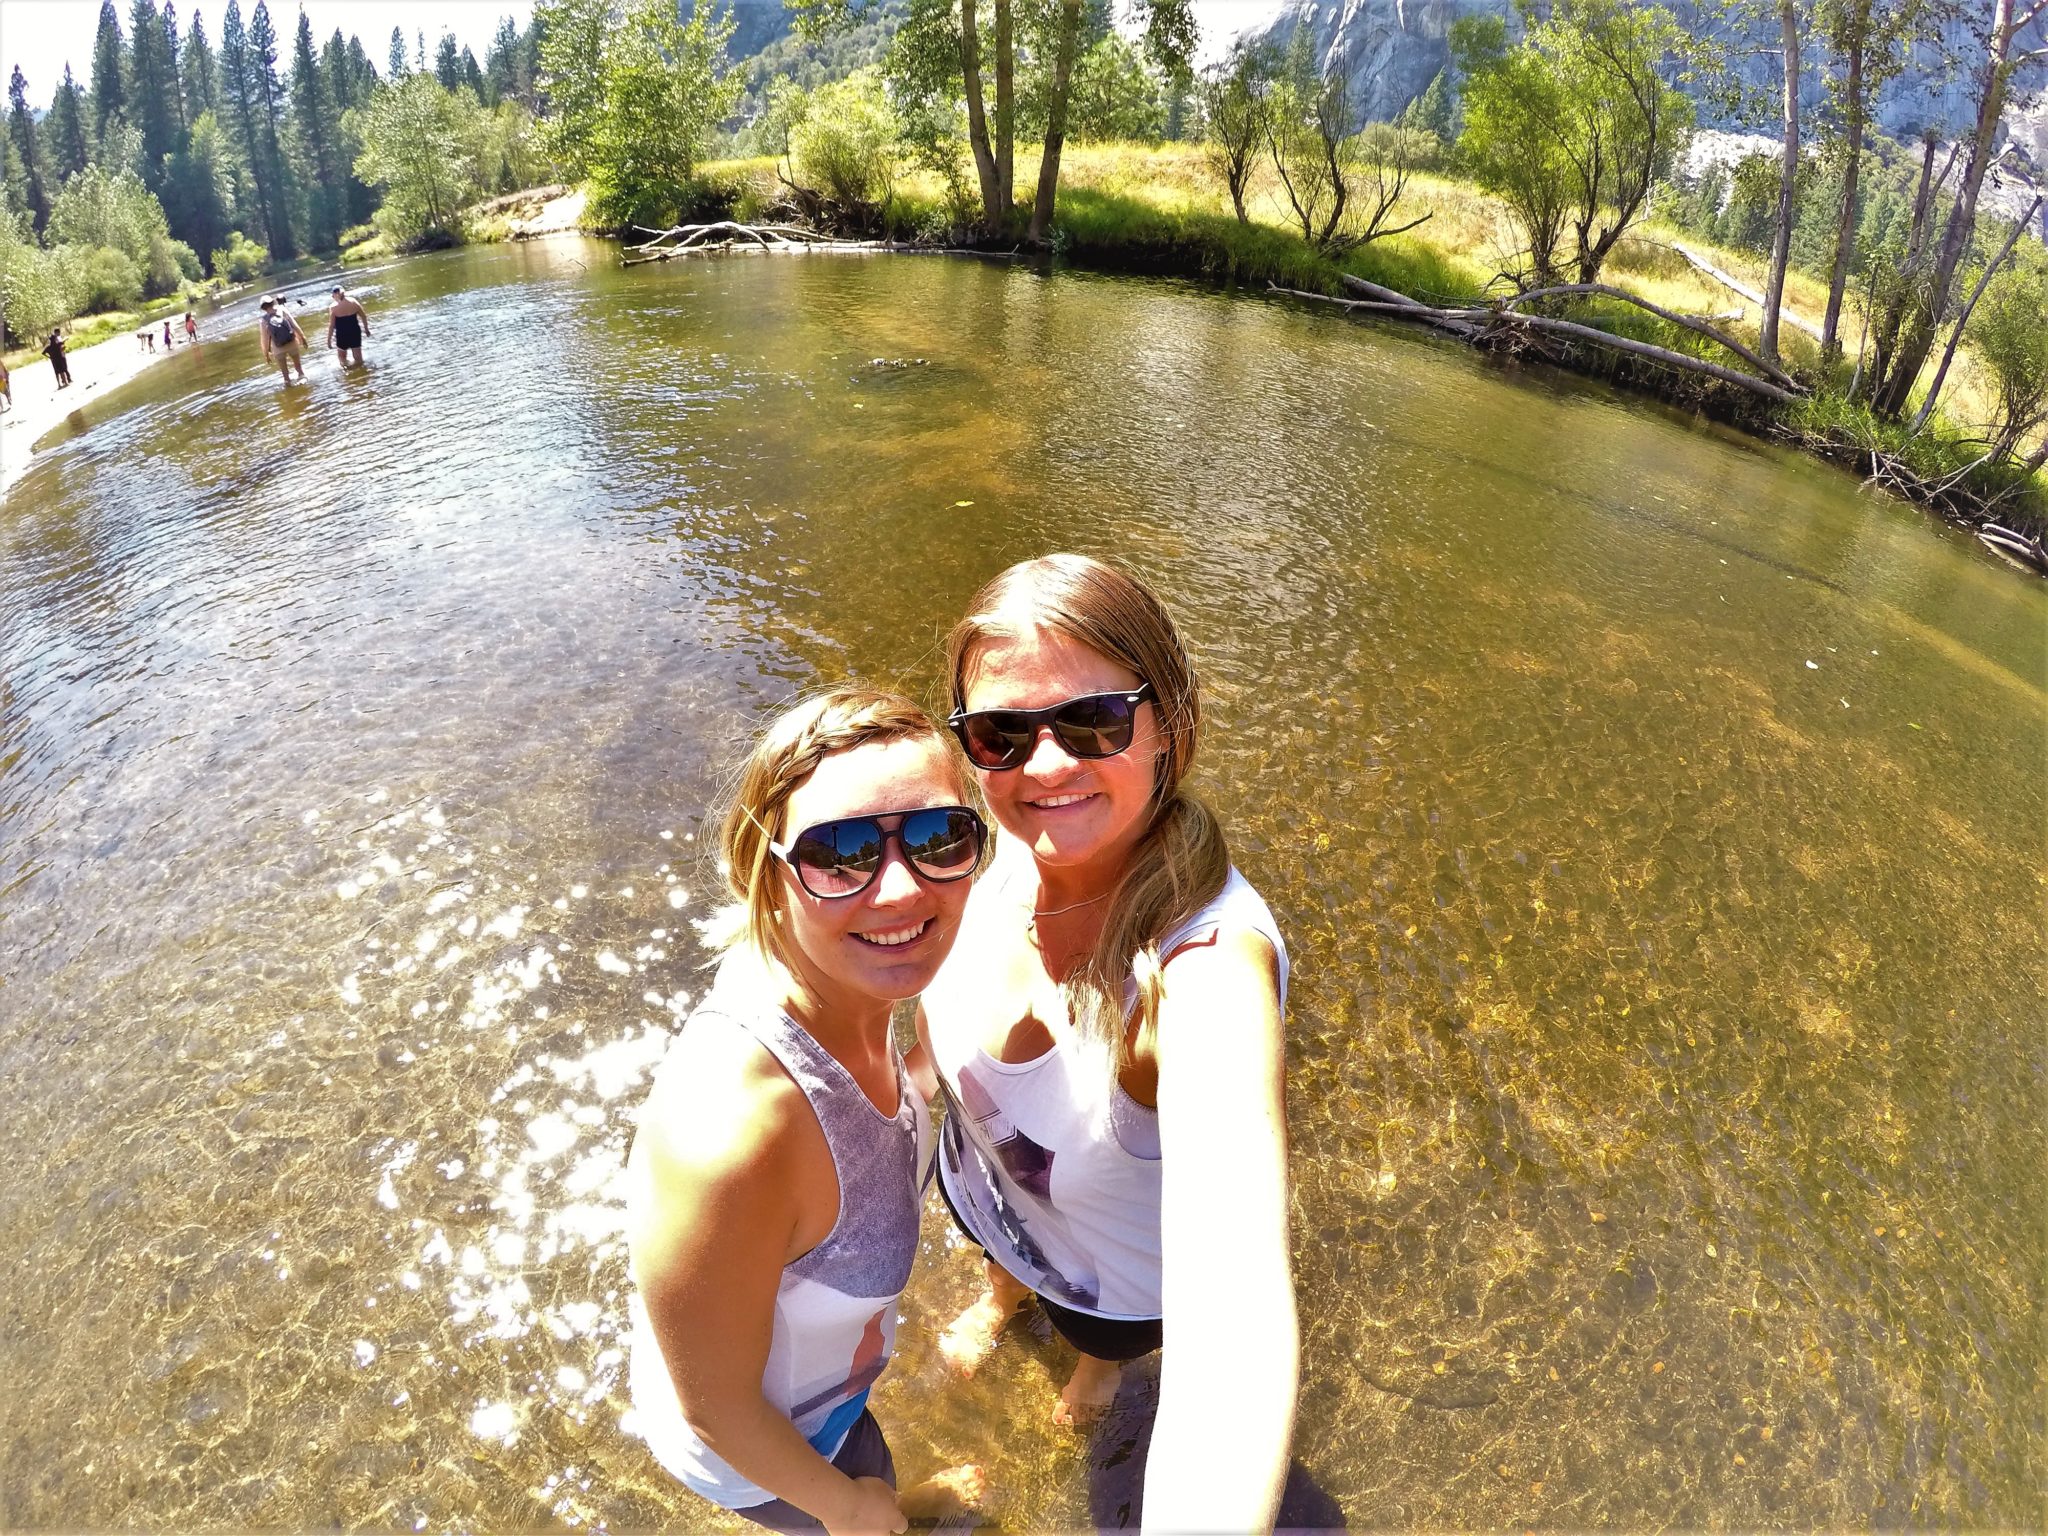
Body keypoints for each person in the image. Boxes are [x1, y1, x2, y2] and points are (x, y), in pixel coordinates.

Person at [917, 554, 1298, 1533]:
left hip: (1109, 1287)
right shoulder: (989, 846)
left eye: (1093, 722)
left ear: (1167, 718)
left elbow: (1236, 1333)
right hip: (995, 1196)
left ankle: (1092, 1376)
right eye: (1001, 733)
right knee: (1002, 1242)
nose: (1044, 766)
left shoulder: (1203, 971)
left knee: (1099, 1336)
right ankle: (1001, 1299)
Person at [626, 685, 987, 1535]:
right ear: (767, 874)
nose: (900, 891)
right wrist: (845, 1507)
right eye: (841, 854)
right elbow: (716, 1410)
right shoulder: (732, 1134)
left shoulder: (858, 979)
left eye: (940, 839)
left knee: (873, 1474)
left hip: (833, 1400)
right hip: (763, 1460)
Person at [258, 297, 306, 383]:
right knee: (299, 369)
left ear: (263, 308)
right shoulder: (282, 310)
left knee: (285, 375)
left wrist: (266, 354)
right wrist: (302, 337)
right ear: (273, 302)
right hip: (292, 343)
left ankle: (289, 388)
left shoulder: (263, 320)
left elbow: (264, 339)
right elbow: (294, 325)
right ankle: (302, 380)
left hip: (278, 348)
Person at [325, 286, 370, 366]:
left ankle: (348, 372)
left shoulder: (333, 307)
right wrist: (366, 329)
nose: (332, 297)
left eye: (333, 295)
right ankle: (360, 370)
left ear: (334, 295)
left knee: (342, 358)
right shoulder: (354, 302)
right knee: (358, 356)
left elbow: (331, 325)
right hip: (355, 331)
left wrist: (329, 340)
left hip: (342, 334)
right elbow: (363, 316)